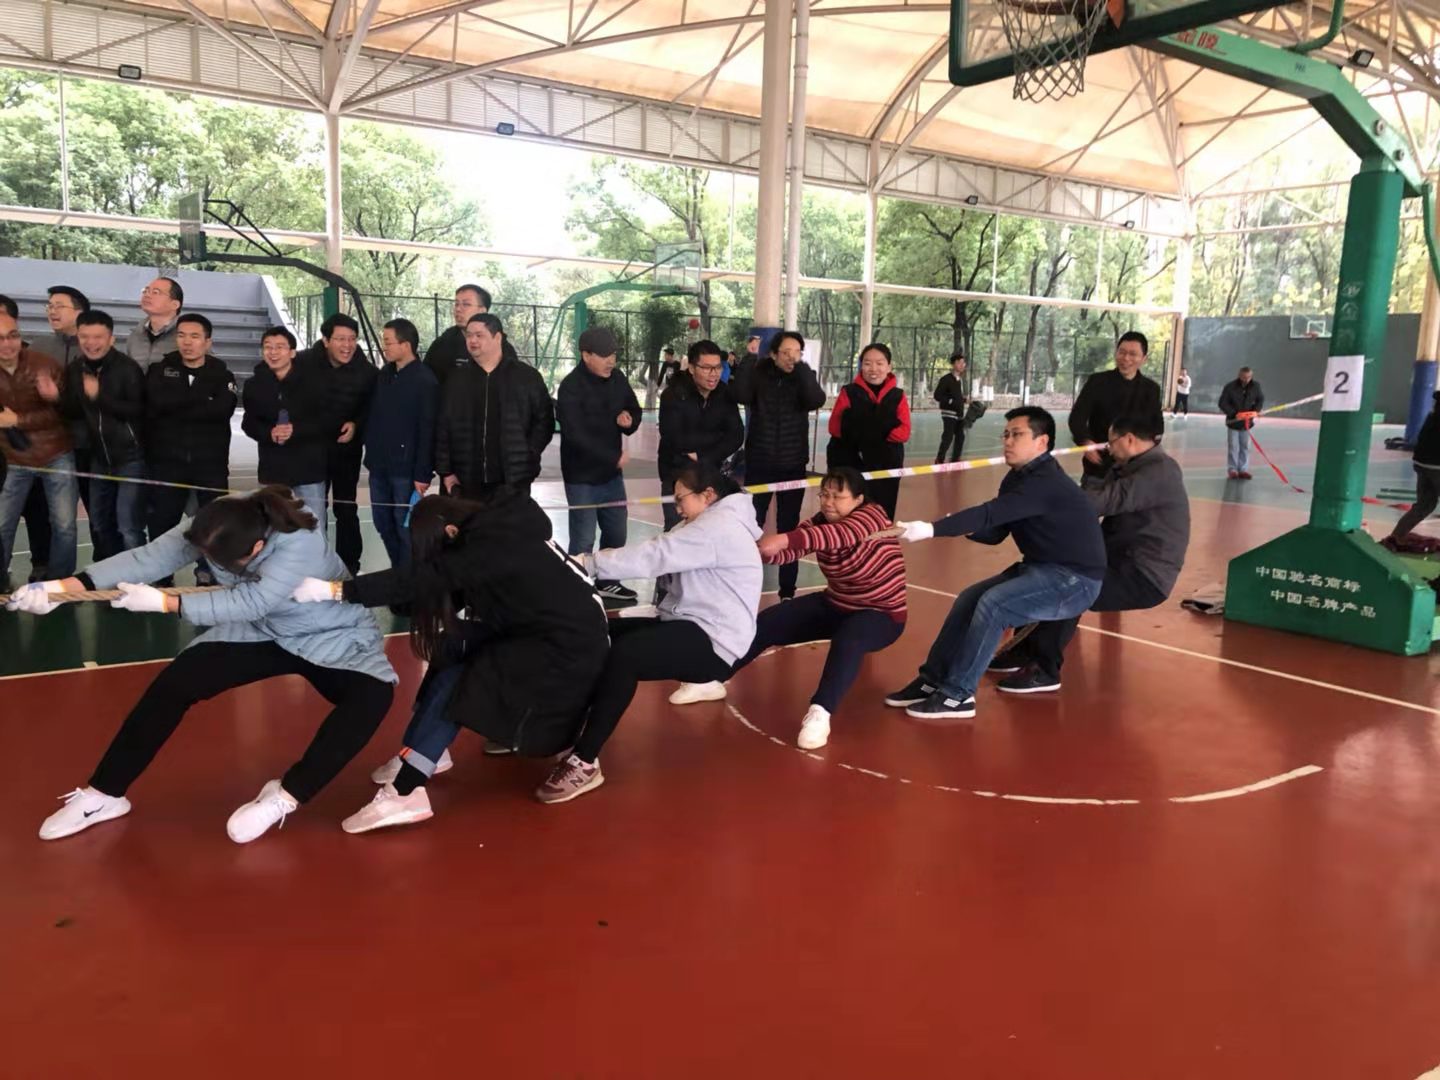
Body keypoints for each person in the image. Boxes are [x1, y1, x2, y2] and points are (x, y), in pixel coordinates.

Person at [8, 486, 397, 844]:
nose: (210, 562)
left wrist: (166, 603)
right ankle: (104, 794)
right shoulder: (217, 521)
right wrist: (62, 589)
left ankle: (286, 795)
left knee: (372, 698)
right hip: (264, 631)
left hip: (333, 633)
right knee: (174, 685)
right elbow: (150, 557)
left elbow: (251, 602)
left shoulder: (299, 541)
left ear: (259, 546)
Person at [289, 490, 612, 832]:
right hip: (544, 636)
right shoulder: (495, 532)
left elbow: (422, 578)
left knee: (460, 681)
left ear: (451, 532)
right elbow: (426, 589)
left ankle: (406, 792)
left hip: (567, 656)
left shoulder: (491, 546)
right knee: (451, 646)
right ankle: (426, 751)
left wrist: (335, 591)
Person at [540, 461, 762, 804]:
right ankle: (560, 728)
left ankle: (584, 761)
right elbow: (662, 551)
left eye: (681, 499)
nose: (677, 508)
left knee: (626, 657)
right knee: (598, 632)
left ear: (707, 495)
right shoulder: (702, 523)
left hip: (715, 641)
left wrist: (588, 563)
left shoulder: (718, 528)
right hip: (687, 622)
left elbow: (654, 556)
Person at [882, 406, 1106, 720]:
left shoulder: (1045, 482)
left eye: (1017, 434)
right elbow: (995, 531)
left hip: (1074, 581)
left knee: (995, 604)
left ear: (1042, 442)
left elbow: (989, 514)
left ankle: (958, 696)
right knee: (970, 599)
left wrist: (930, 529)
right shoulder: (1016, 479)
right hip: (1041, 568)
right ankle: (932, 680)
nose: (1007, 441)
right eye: (1006, 434)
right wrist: (959, 524)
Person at [671, 467, 906, 750]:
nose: (828, 502)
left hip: (882, 614)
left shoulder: (872, 517)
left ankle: (820, 713)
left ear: (858, 499)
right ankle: (712, 678)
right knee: (766, 623)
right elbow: (789, 550)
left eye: (837, 496)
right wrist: (749, 549)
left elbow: (836, 535)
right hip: (836, 603)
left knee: (849, 641)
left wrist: (783, 539)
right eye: (824, 495)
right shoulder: (819, 522)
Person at [995, 413, 1190, 693]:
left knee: (1068, 586)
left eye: (1111, 442)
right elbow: (1091, 500)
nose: (1108, 448)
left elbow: (1102, 502)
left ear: (1129, 440)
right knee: (1049, 571)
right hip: (1118, 560)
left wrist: (1049, 493)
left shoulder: (1159, 472)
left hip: (1144, 575)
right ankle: (1025, 651)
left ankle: (1045, 669)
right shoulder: (1128, 466)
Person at [731, 330, 826, 600]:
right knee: (753, 522)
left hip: (792, 464)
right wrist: (749, 359)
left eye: (796, 352)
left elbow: (816, 400)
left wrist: (803, 371)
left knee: (788, 526)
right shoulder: (759, 374)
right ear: (773, 354)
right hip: (760, 463)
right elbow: (740, 394)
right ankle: (743, 582)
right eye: (786, 352)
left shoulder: (803, 377)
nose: (791, 357)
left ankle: (787, 591)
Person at [144, 313, 238, 585]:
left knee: (214, 522)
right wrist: (201, 402)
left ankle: (209, 573)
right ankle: (161, 576)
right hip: (167, 462)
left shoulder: (222, 374)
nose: (187, 342)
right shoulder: (160, 370)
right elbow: (155, 405)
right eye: (182, 335)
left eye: (195, 336)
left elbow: (222, 410)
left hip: (210, 463)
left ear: (208, 342)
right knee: (162, 522)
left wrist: (177, 404)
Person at [557, 326, 642, 604]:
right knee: (583, 537)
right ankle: (576, 588)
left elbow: (634, 408)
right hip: (581, 478)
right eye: (604, 355)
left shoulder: (617, 379)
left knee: (617, 532)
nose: (611, 361)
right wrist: (611, 457)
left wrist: (629, 419)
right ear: (586, 355)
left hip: (612, 477)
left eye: (614, 355)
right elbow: (575, 435)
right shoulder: (570, 388)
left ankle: (608, 581)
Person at [435, 312, 554, 502]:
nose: (472, 340)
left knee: (511, 522)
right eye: (469, 335)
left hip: (513, 479)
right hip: (467, 480)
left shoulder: (526, 377)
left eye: (479, 335)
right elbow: (442, 427)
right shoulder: (456, 380)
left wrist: (528, 454)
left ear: (497, 337)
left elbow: (544, 421)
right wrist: (446, 471)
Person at [0, 309, 78, 588]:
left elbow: (64, 413)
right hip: (13, 458)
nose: (7, 344)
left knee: (64, 525)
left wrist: (18, 420)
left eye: (13, 336)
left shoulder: (43, 364)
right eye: (0, 338)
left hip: (56, 454)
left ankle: (61, 583)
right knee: (2, 524)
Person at [60, 310, 146, 560]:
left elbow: (138, 411)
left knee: (128, 526)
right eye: (84, 336)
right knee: (99, 523)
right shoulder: (76, 369)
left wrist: (99, 397)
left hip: (130, 457)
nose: (91, 343)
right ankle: (110, 572)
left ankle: (138, 575)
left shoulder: (128, 368)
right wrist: (54, 397)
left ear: (111, 339)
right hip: (98, 458)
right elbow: (73, 411)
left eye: (98, 337)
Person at [297, 314, 375, 574]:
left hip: (346, 452)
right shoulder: (303, 363)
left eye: (352, 339)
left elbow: (372, 407)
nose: (347, 346)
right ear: (326, 340)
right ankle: (314, 565)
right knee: (312, 510)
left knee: (346, 508)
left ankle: (349, 566)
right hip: (311, 451)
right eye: (341, 339)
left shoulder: (366, 371)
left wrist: (356, 424)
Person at [364, 317, 439, 569]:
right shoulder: (384, 375)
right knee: (382, 522)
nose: (384, 347)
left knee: (404, 525)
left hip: (406, 471)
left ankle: (410, 580)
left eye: (388, 342)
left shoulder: (425, 381)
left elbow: (428, 429)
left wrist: (423, 473)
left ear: (406, 345)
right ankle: (398, 573)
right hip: (379, 466)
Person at [241, 327, 330, 526]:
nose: (273, 352)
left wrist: (295, 430)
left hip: (309, 471)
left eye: (280, 347)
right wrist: (269, 433)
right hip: (272, 471)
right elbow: (249, 423)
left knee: (313, 528)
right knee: (273, 528)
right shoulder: (253, 385)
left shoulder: (314, 382)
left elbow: (326, 420)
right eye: (268, 347)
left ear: (292, 352)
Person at [657, 339, 743, 531]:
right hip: (677, 476)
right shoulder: (673, 395)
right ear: (692, 368)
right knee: (677, 532)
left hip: (711, 475)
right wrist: (716, 439)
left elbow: (736, 434)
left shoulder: (725, 394)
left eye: (718, 367)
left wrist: (704, 455)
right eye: (706, 368)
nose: (714, 374)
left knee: (710, 532)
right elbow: (673, 437)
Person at [0, 293, 53, 582]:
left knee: (38, 512)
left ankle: (42, 566)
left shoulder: (35, 360)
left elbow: (49, 408)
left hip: (30, 451)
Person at [1068, 331, 1163, 489]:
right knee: (1092, 502)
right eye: (1122, 352)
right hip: (1099, 464)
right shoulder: (1097, 382)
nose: (1126, 358)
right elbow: (1077, 418)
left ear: (1144, 359)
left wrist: (1140, 450)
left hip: (1134, 468)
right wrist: (1086, 443)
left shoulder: (1151, 389)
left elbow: (1157, 427)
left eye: (1133, 354)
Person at [826, 342, 911, 519]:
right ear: (861, 366)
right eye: (867, 363)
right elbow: (835, 428)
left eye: (879, 363)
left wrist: (859, 425)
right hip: (850, 464)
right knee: (849, 515)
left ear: (889, 367)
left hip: (886, 465)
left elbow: (903, 432)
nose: (873, 369)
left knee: (882, 514)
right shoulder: (849, 392)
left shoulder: (898, 396)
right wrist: (884, 425)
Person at [423, 284, 517, 386]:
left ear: (482, 311)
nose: (458, 309)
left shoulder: (503, 348)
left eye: (466, 304)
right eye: (456, 304)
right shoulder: (442, 344)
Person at [1385, 388, 1440, 547]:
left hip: (1421, 465)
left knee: (1424, 505)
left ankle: (1396, 536)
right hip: (1436, 467)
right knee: (1425, 504)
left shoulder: (1432, 417)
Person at [125, 277, 184, 367]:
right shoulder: (135, 335)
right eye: (145, 291)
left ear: (174, 304)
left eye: (156, 292)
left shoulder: (185, 334)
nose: (147, 295)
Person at [1219, 366, 1264, 480]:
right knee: (1233, 447)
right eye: (1244, 377)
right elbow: (1222, 403)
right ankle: (1233, 470)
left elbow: (1260, 399)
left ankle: (1243, 469)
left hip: (1247, 423)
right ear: (1239, 376)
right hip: (1233, 423)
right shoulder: (1230, 387)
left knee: (1245, 447)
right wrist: (1234, 414)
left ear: (1251, 376)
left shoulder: (1256, 386)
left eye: (1248, 377)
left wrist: (1256, 411)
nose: (1246, 380)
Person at [32, 285, 87, 368]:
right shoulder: (38, 347)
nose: (52, 312)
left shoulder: (96, 348)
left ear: (79, 313)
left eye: (60, 306)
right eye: (50, 306)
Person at [934, 351, 968, 464]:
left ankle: (955, 459)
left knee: (960, 437)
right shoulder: (946, 379)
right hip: (949, 413)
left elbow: (956, 396)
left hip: (959, 414)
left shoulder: (959, 380)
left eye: (963, 363)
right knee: (948, 437)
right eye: (961, 363)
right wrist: (950, 401)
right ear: (955, 364)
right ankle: (940, 459)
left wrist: (964, 400)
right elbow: (937, 395)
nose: (963, 365)